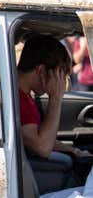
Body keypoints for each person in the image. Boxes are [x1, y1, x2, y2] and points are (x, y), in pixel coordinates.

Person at [17, 34, 89, 165]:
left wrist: (73, 150)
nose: (60, 83)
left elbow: (42, 137)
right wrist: (55, 99)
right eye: (58, 76)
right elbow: (42, 148)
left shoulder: (25, 95)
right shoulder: (17, 100)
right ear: (41, 70)